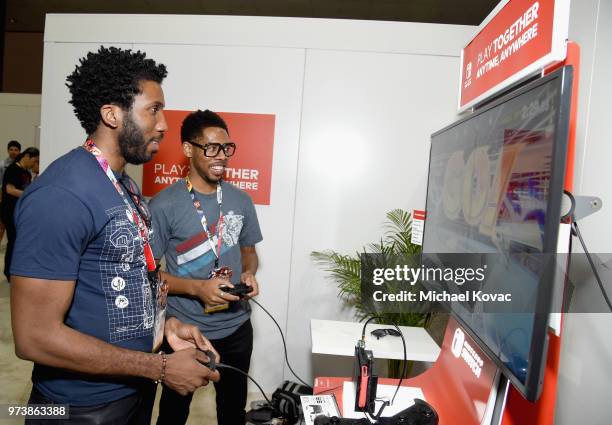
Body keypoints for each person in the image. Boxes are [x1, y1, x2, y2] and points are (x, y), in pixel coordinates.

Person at [10, 46, 220, 425]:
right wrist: (158, 368)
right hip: (76, 409)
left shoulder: (123, 185)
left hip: (133, 389)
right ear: (111, 114)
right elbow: (34, 337)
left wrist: (164, 329)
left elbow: (117, 285)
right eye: (153, 109)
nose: (164, 124)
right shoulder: (60, 196)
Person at [150, 109, 263, 425]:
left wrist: (248, 272)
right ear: (188, 149)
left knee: (232, 413)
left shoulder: (241, 201)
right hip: (185, 332)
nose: (222, 156)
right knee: (173, 414)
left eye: (226, 148)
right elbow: (150, 275)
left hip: (237, 328)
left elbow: (249, 252)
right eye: (211, 148)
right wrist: (197, 288)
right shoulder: (163, 205)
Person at [1, 146, 38, 281]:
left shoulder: (27, 173)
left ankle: (17, 271)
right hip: (9, 211)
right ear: (27, 156)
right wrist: (28, 194)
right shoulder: (12, 169)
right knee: (13, 241)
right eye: (34, 160)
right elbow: (10, 190)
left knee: (19, 242)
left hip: (21, 212)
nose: (34, 164)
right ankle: (9, 273)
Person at [0, 140, 22, 244]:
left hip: (17, 199)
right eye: (11, 149)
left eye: (16, 150)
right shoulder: (2, 164)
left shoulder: (22, 165)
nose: (13, 152)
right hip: (3, 197)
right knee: (1, 226)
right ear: (8, 150)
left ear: (20, 151)